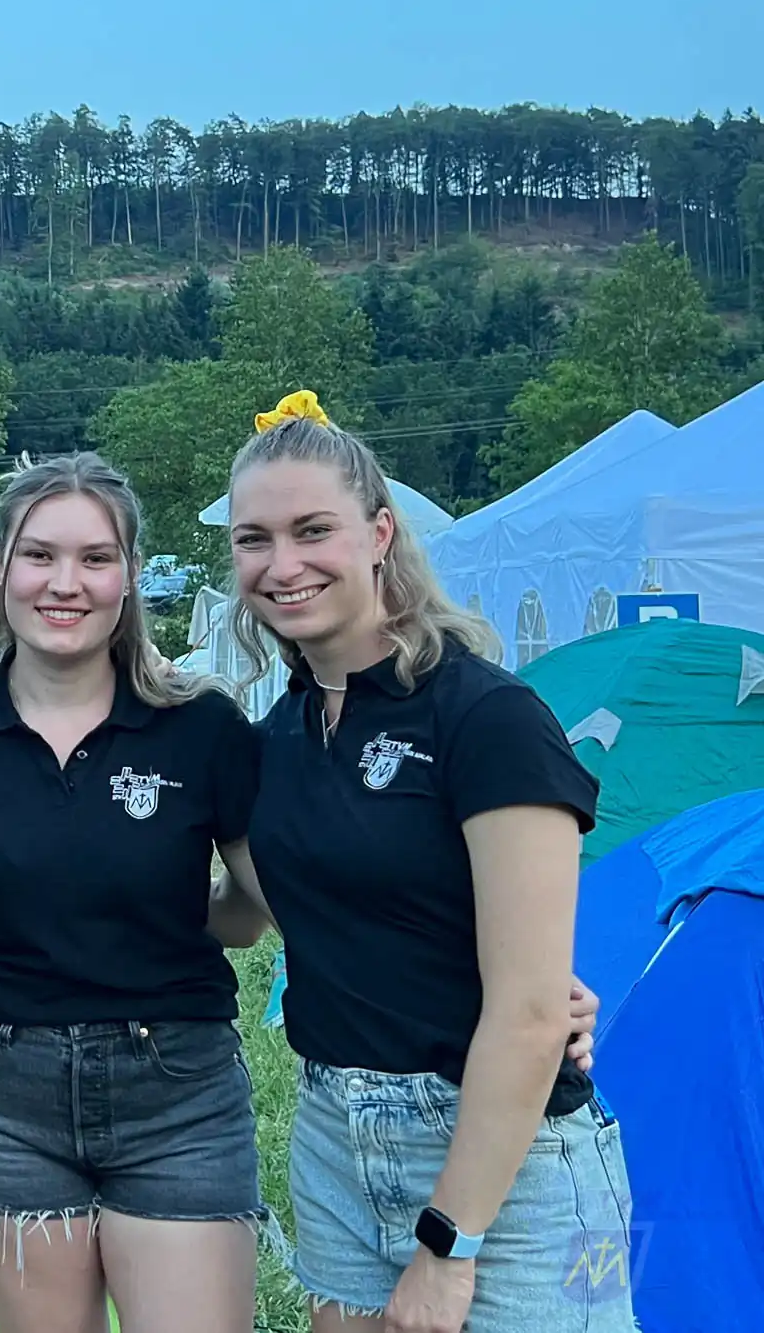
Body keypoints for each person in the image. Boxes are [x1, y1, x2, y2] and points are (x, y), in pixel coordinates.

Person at [211, 390, 636, 1333]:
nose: (282, 565)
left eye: (312, 530)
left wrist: (450, 1247)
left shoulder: (486, 716)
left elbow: (532, 1015)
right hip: (332, 1136)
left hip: (506, 1160)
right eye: (253, 540)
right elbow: (263, 909)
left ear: (379, 534)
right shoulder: (276, 737)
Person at [0, 452, 270, 1333]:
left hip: (178, 1090)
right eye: (39, 554)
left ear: (131, 575)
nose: (65, 583)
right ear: (0, 567)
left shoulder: (200, 726)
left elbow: (270, 905)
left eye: (95, 558)